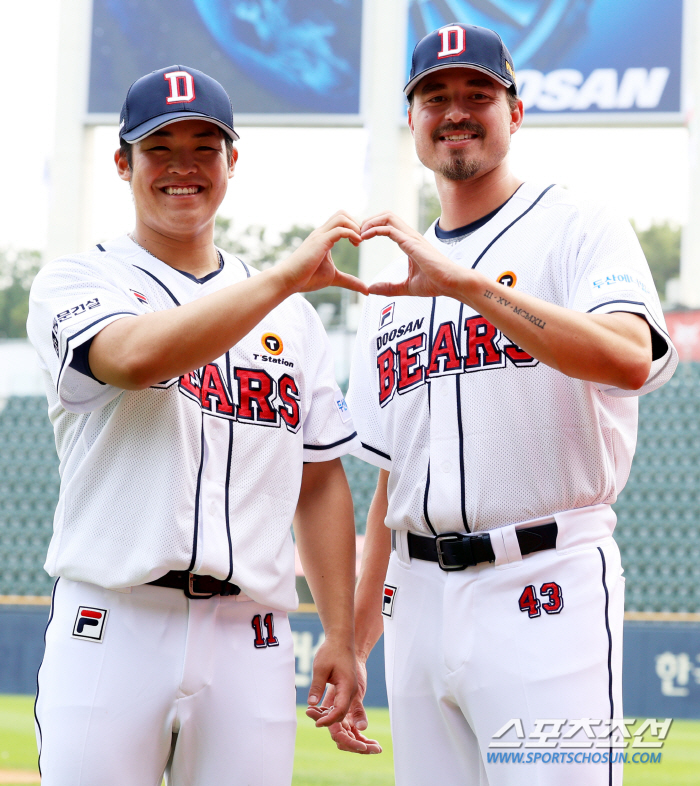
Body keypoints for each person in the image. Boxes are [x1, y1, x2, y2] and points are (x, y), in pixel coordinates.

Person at [309, 23, 679, 785]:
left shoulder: (578, 224)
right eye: (434, 96)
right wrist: (353, 637)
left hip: (544, 586)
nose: (456, 111)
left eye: (479, 93)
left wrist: (473, 288)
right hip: (419, 599)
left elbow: (630, 356)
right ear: (411, 119)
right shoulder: (394, 289)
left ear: (517, 111)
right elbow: (390, 485)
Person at [27, 65, 367, 786]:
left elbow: (318, 481)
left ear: (232, 162)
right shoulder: (77, 280)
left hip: (252, 633)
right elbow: (133, 355)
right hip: (115, 620)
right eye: (160, 148)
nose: (184, 167)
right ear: (123, 163)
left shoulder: (295, 318)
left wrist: (341, 633)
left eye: (204, 147)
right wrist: (278, 279)